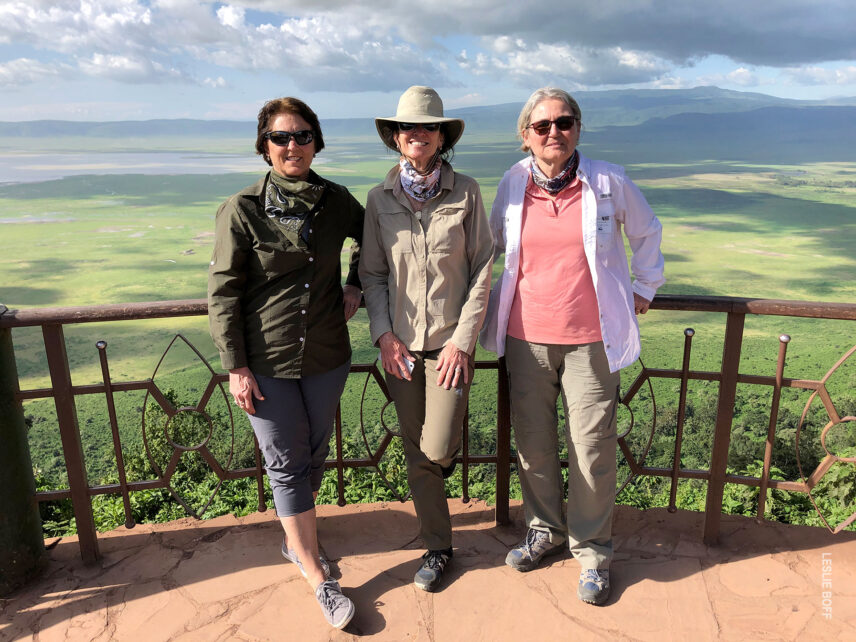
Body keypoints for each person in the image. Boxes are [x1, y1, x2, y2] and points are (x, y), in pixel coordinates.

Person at [480, 87, 665, 605]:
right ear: (525, 137)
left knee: (591, 449)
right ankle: (544, 531)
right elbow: (489, 247)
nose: (554, 132)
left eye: (564, 122)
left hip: (591, 341)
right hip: (525, 336)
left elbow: (647, 233)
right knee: (534, 445)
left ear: (578, 129)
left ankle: (593, 552)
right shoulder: (513, 184)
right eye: (542, 126)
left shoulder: (607, 181)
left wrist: (644, 289)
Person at [208, 97, 363, 629]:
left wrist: (355, 281)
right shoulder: (242, 208)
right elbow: (224, 293)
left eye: (301, 136)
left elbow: (375, 240)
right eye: (281, 138)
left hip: (325, 354)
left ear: (316, 141)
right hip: (266, 360)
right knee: (286, 464)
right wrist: (236, 365)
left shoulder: (338, 202)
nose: (292, 146)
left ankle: (297, 538)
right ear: (264, 146)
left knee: (314, 452)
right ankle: (317, 572)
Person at [359, 86, 493, 592]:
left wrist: (463, 341)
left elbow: (482, 267)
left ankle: (447, 447)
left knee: (436, 448)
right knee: (418, 455)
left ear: (442, 137)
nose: (418, 134)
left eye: (428, 127)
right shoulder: (379, 199)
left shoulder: (467, 192)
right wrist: (383, 334)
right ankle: (438, 548)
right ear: (396, 138)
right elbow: (372, 275)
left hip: (448, 346)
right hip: (399, 349)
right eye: (408, 127)